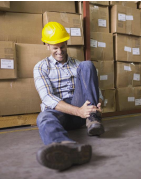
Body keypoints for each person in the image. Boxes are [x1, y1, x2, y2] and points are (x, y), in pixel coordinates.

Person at [33, 22, 105, 171]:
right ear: (47, 45)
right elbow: (47, 98)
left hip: (82, 110)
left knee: (87, 65)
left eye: (62, 46)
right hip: (60, 113)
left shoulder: (78, 65)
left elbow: (97, 92)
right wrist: (78, 111)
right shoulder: (41, 67)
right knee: (43, 117)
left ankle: (93, 119)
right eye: (55, 48)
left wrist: (97, 104)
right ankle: (66, 147)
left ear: (66, 43)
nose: (60, 51)